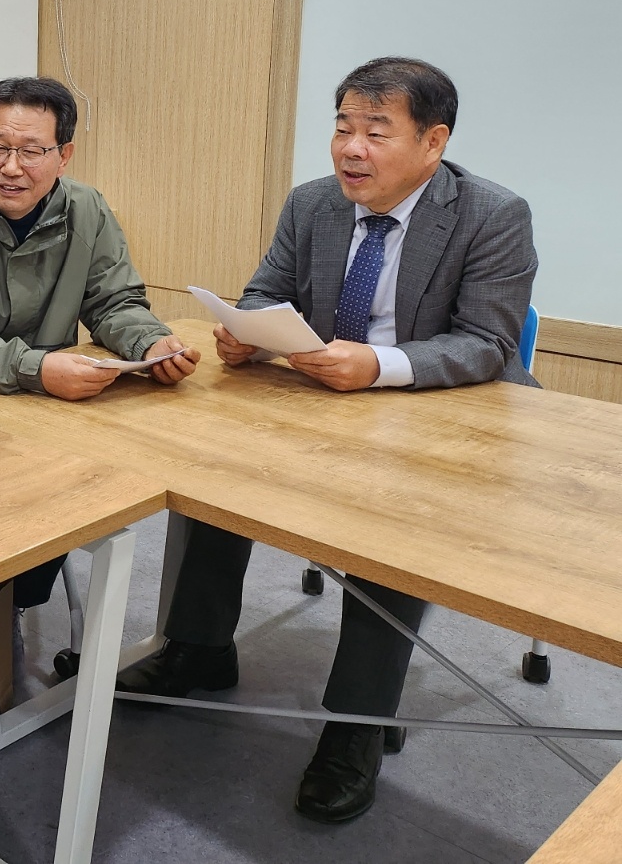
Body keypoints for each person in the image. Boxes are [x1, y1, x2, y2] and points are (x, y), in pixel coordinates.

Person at [116, 57, 538, 823]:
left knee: (393, 522)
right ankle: (200, 648)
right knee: (222, 466)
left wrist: (378, 364)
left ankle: (357, 724)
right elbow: (266, 289)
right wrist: (247, 331)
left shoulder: (493, 214)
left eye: (376, 131)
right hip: (321, 401)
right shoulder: (313, 202)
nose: (351, 148)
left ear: (433, 142)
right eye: (343, 127)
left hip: (441, 414)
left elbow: (487, 342)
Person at [0, 75, 199, 618]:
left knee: (89, 507)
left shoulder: (87, 209)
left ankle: (5, 622)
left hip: (57, 419)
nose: (11, 167)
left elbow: (114, 300)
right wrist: (36, 368)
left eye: (31, 151)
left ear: (64, 155)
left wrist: (148, 340)